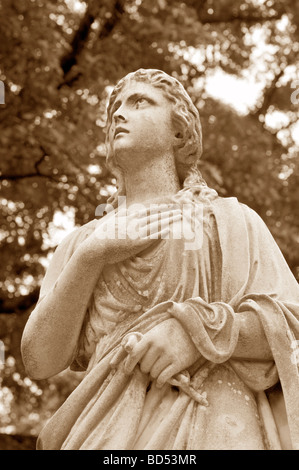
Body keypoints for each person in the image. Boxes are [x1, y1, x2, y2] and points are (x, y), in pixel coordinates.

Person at [21, 69, 299, 450]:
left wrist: (197, 334)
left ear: (179, 132)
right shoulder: (82, 243)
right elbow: (39, 360)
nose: (119, 113)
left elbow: (292, 326)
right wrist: (92, 257)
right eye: (115, 107)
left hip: (213, 426)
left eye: (140, 102)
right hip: (102, 434)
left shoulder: (230, 222)